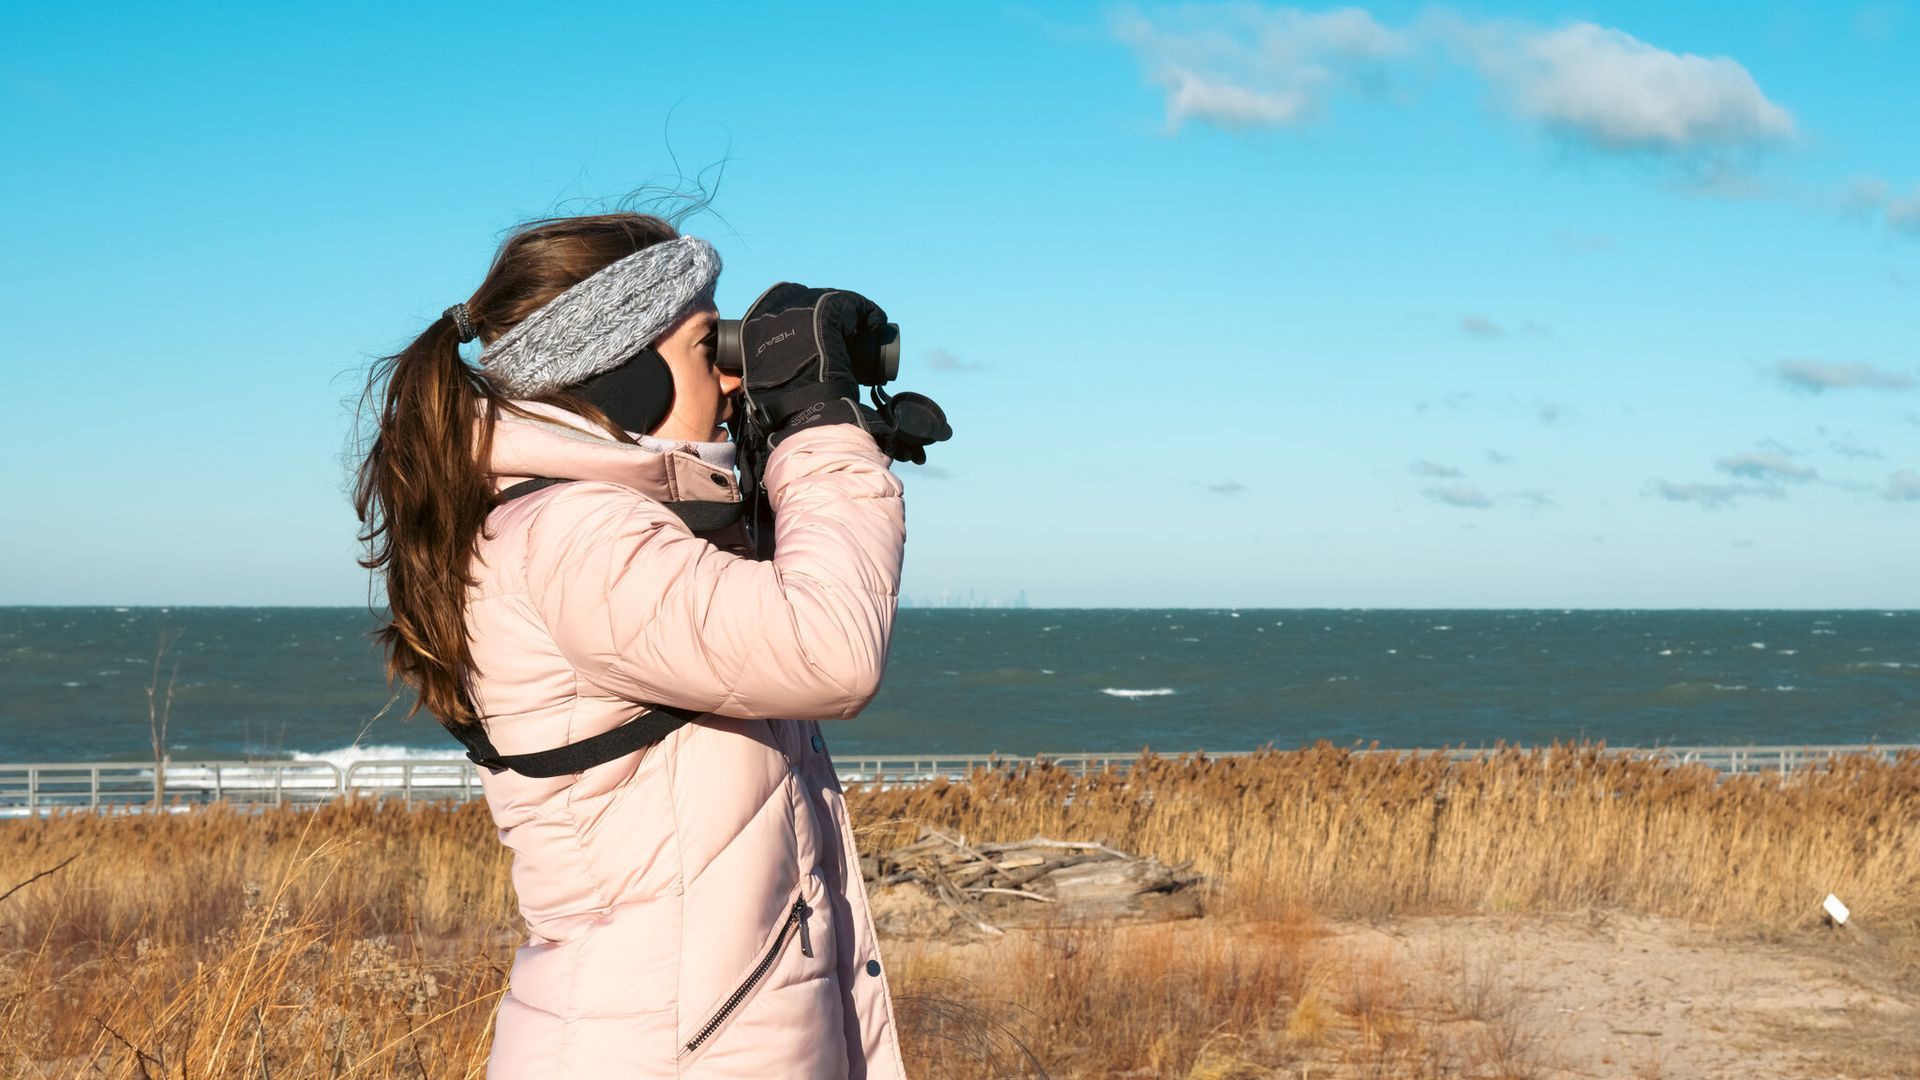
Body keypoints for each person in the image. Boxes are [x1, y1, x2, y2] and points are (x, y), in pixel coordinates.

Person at [354, 211, 909, 1078]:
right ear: (619, 378)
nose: (730, 379)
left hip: (678, 1031)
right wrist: (821, 431)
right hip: (664, 1046)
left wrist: (770, 467)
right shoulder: (580, 534)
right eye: (705, 347)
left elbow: (755, 625)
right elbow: (829, 645)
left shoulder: (582, 528)